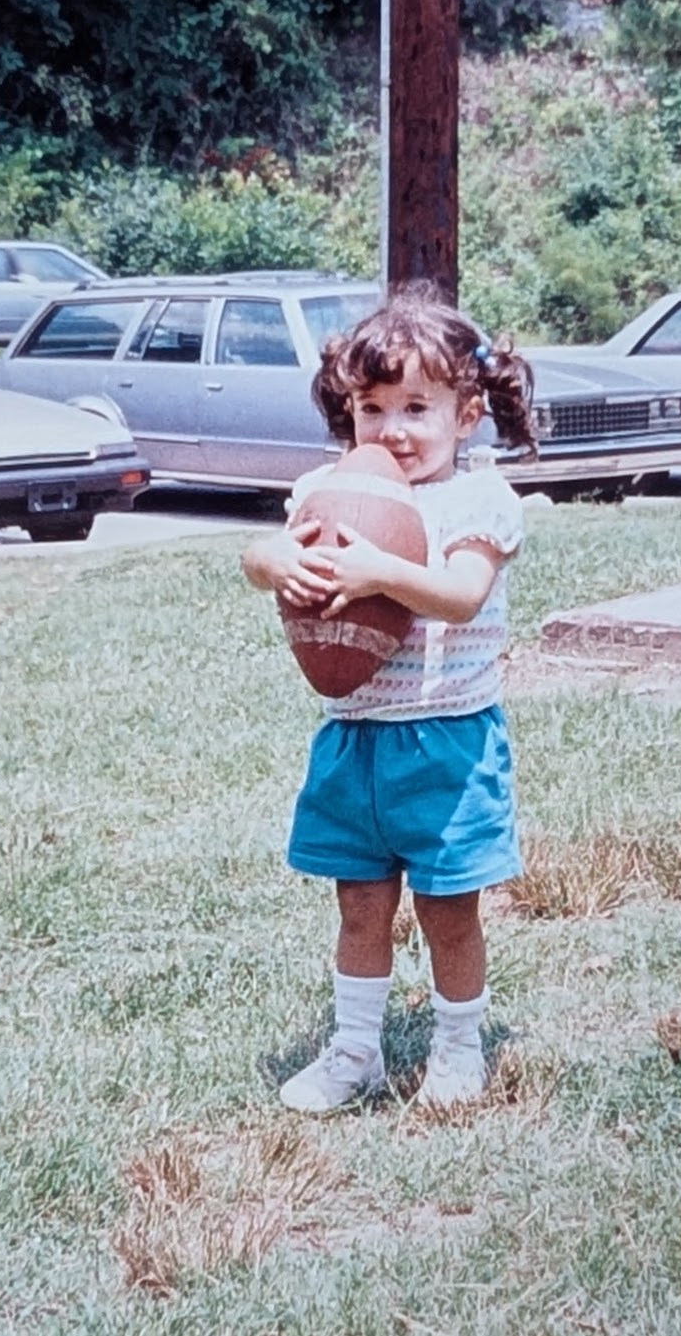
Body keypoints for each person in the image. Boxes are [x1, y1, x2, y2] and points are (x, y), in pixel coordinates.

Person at [242, 285, 537, 1113]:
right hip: (355, 738)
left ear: (466, 411)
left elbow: (461, 594)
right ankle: (353, 1050)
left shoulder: (479, 500)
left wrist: (379, 573)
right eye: (372, 408)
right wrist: (271, 563)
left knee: (449, 913)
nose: (393, 429)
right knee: (359, 906)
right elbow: (259, 552)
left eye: (417, 406)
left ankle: (455, 1046)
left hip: (448, 741)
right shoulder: (328, 489)